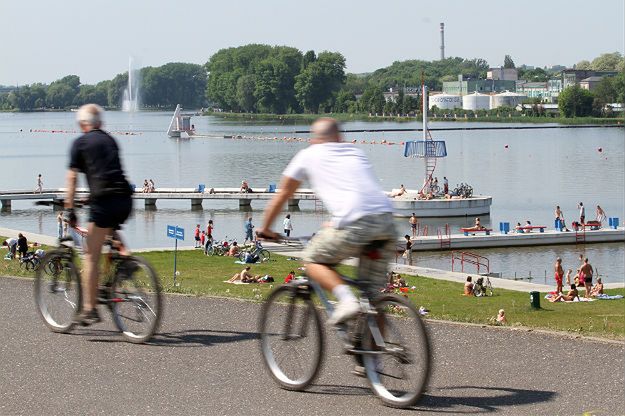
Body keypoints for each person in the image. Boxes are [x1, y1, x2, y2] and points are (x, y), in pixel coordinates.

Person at [257, 117, 395, 325]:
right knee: (373, 299)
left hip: (354, 224)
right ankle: (375, 356)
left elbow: (283, 193)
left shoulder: (308, 154)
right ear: (340, 137)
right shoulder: (355, 152)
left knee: (312, 260)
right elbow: (359, 193)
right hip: (385, 222)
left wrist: (266, 228)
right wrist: (335, 222)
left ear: (314, 139)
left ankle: (347, 300)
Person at [65, 104, 133, 326]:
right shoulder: (110, 140)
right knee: (110, 230)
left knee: (91, 255)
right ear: (100, 123)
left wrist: (70, 209)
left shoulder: (80, 143)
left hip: (104, 200)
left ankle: (89, 309)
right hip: (124, 198)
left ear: (82, 124)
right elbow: (109, 172)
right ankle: (126, 257)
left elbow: (72, 179)